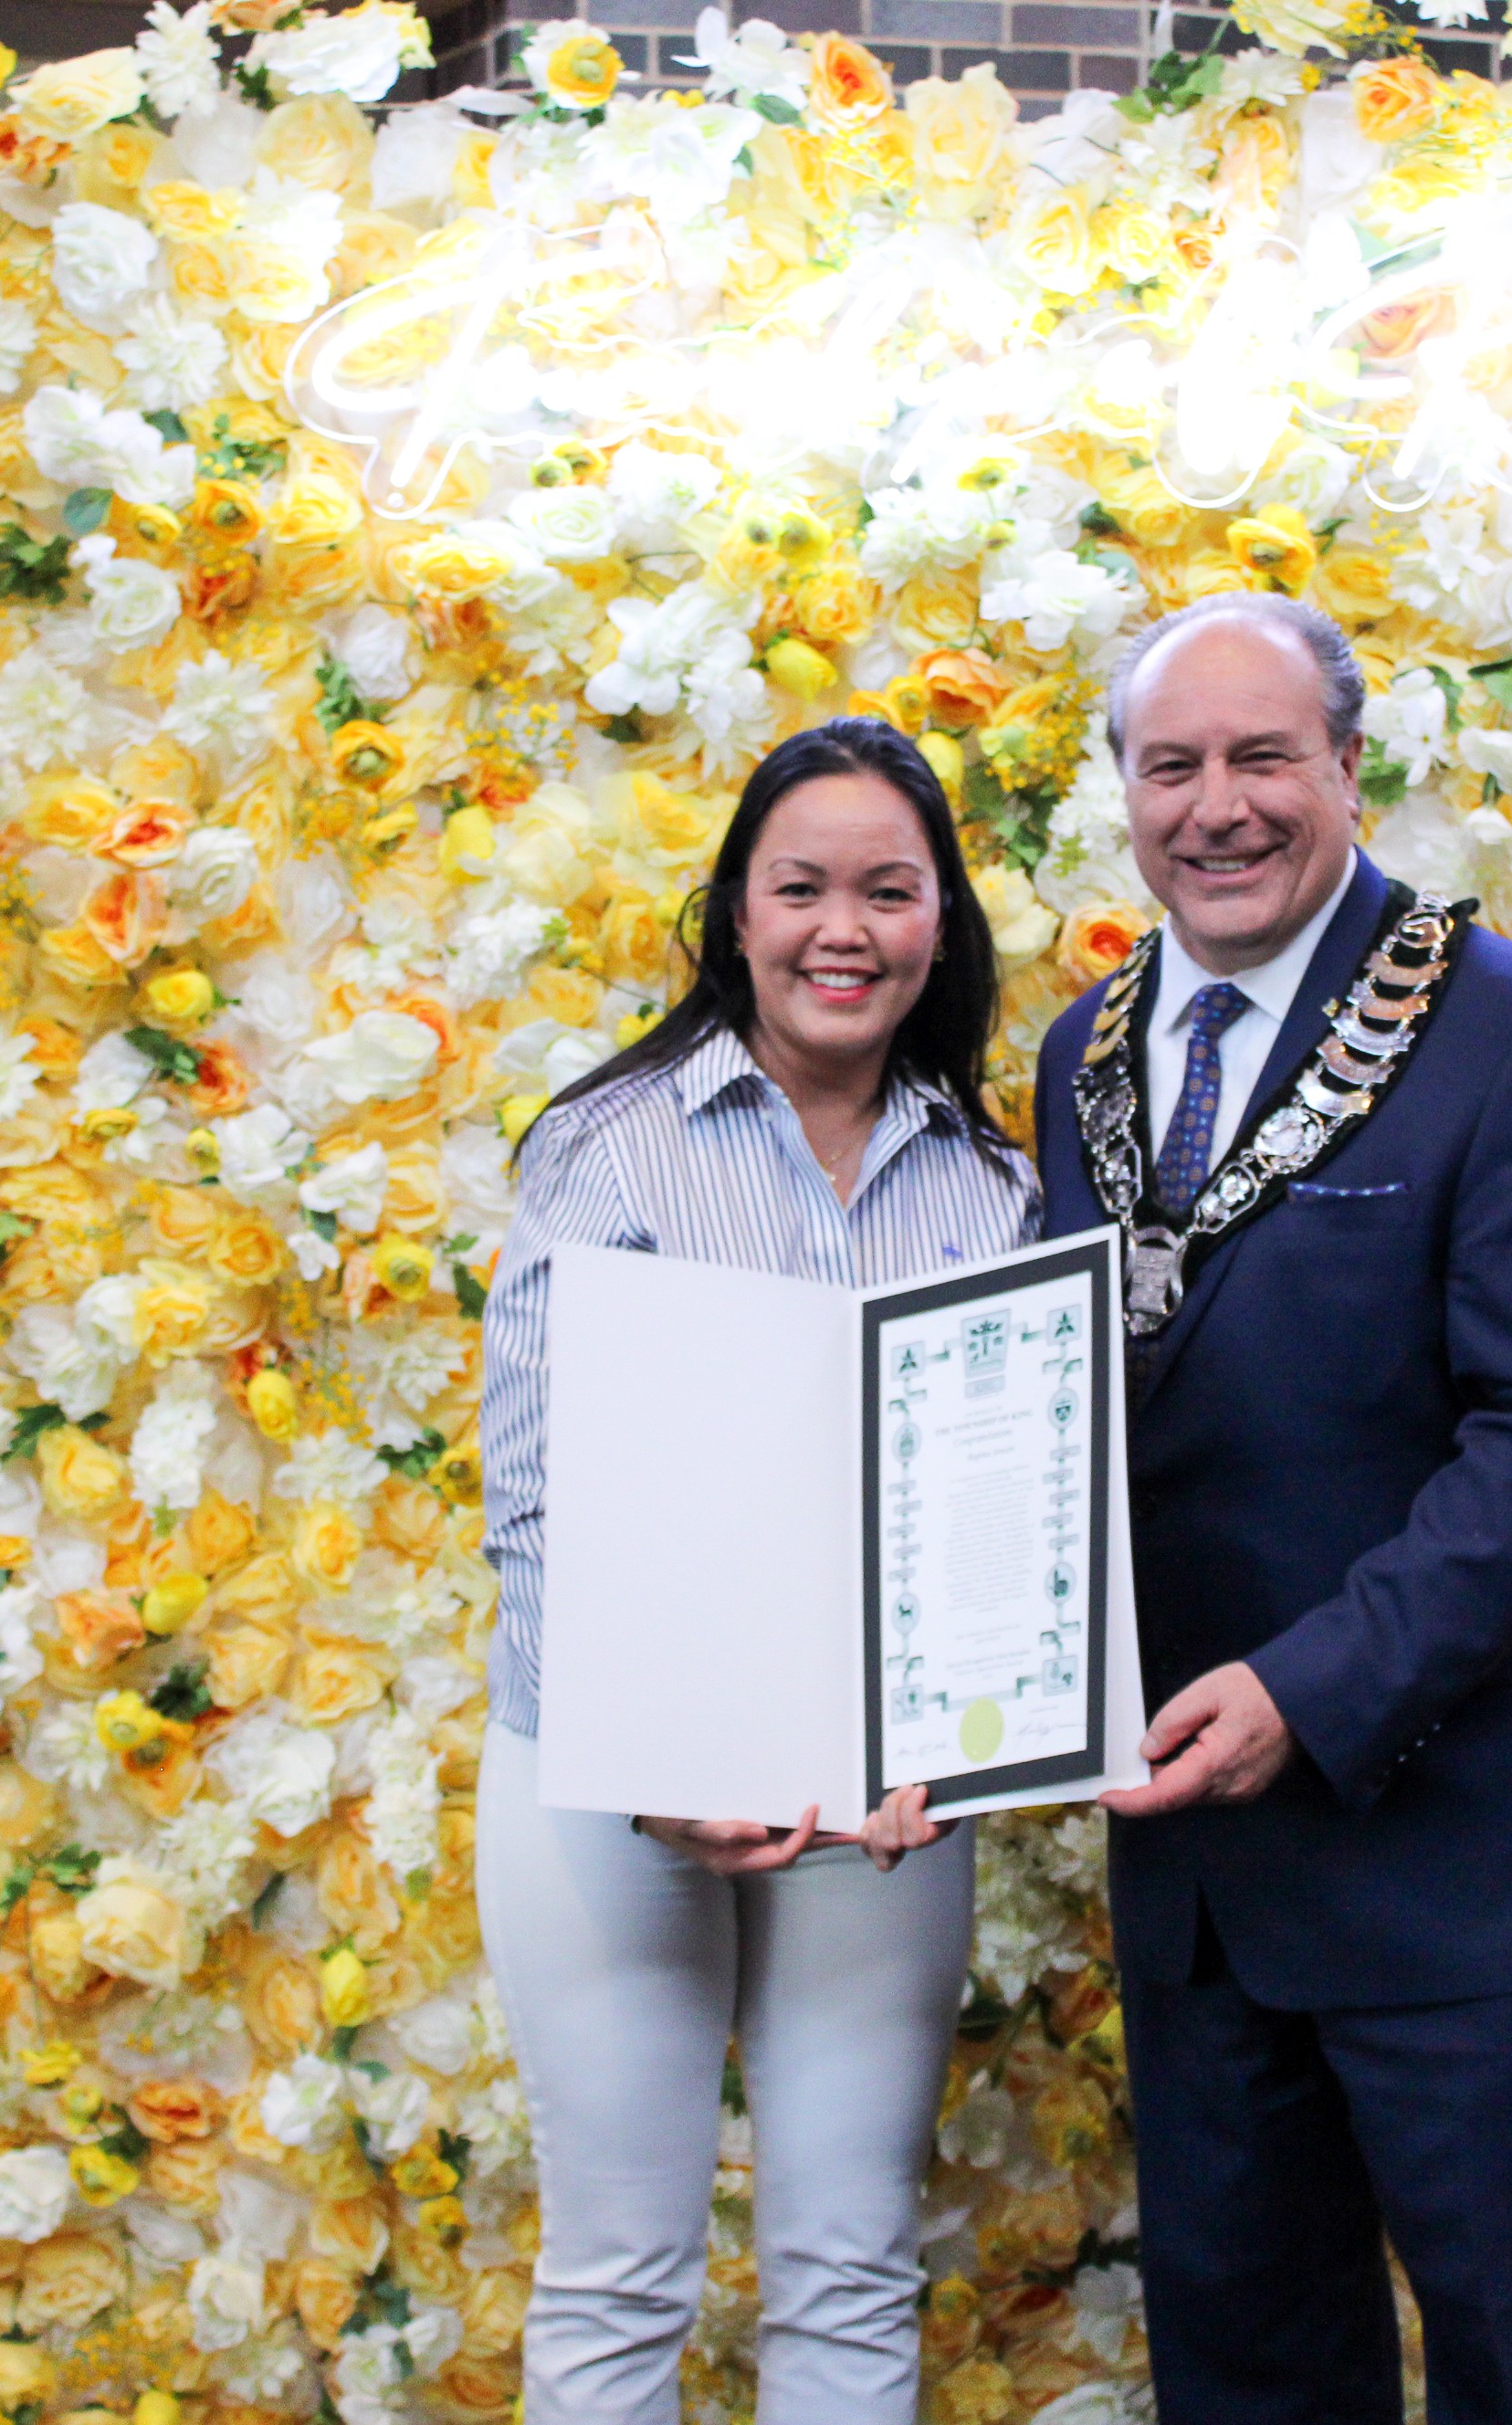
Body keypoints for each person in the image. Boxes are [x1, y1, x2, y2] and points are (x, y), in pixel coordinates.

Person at [1042, 595, 1512, 2421]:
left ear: (1345, 766)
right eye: (1171, 765)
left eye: (1259, 757)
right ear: (1123, 790)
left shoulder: (1510, 1028)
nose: (1214, 806)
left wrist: (1306, 1689)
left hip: (1447, 1849)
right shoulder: (1082, 1048)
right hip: (1192, 1870)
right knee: (1244, 2375)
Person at [474, 717, 1036, 2424]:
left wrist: (978, 1738)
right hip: (604, 1785)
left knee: (853, 2267)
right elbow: (535, 1499)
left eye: (886, 888)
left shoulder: (1001, 1187)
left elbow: (1004, 1524)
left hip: (881, 1800)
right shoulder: (610, 1141)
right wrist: (655, 1771)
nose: (839, 929)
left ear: (941, 923)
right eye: (798, 888)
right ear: (734, 913)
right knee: (615, 2277)